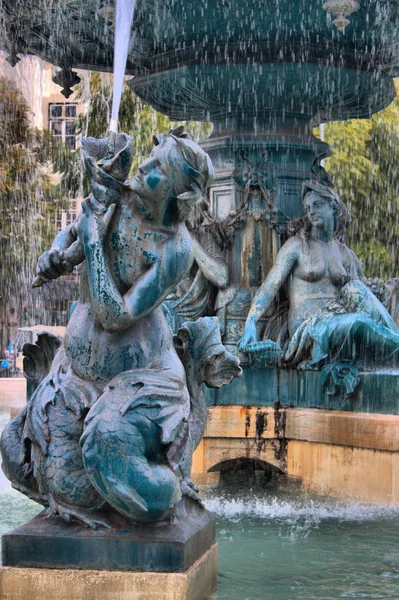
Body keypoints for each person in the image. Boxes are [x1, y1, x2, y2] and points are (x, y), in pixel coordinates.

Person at [1, 127, 216, 526]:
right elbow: (77, 224)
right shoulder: (119, 193)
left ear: (177, 194)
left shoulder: (176, 248)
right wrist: (57, 250)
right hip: (77, 375)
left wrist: (92, 242)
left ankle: (165, 485)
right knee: (17, 453)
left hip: (140, 381)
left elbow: (114, 315)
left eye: (156, 166)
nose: (144, 164)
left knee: (107, 451)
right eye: (150, 156)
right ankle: (105, 493)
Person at [239, 180, 399, 368]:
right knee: (359, 322)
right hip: (310, 328)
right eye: (307, 208)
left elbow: (366, 301)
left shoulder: (346, 254)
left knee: (356, 290)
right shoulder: (297, 246)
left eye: (317, 205)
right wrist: (250, 322)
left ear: (333, 207)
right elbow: (270, 285)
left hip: (340, 318)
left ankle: (395, 343)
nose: (311, 211)